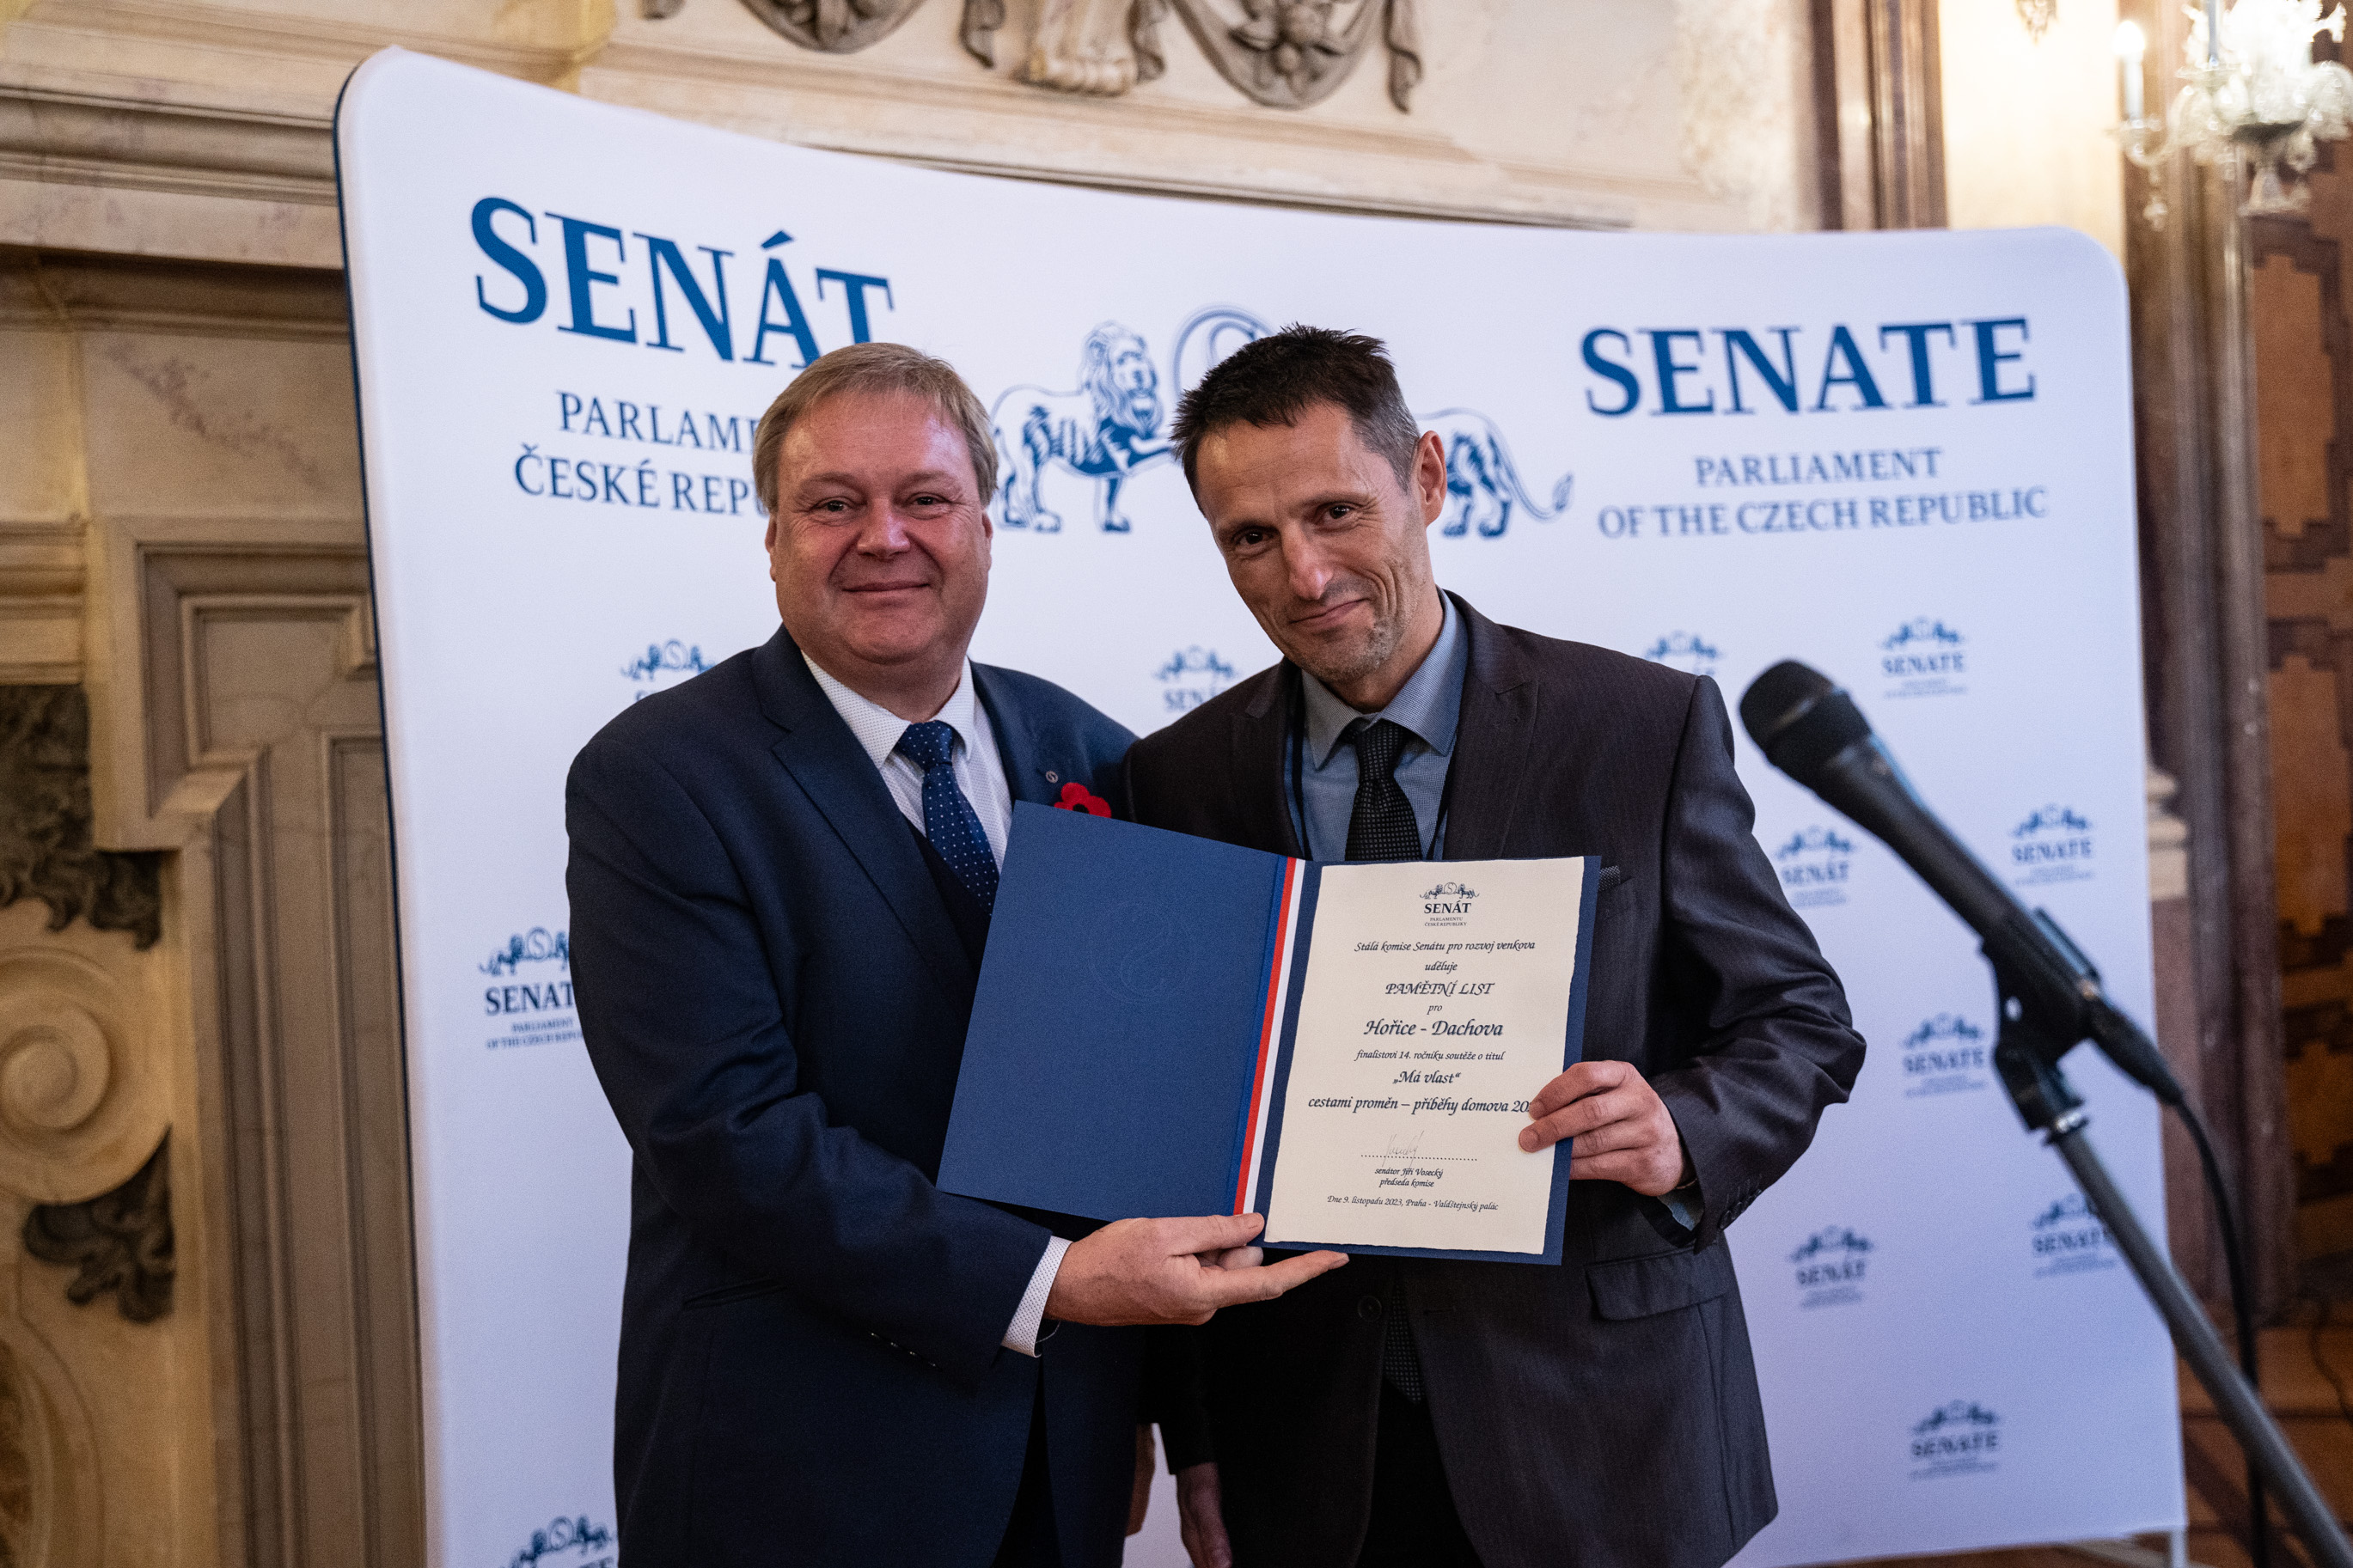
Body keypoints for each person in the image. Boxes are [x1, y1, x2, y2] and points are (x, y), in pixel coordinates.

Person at [565, 342, 1344, 1568]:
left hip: (1066, 1453)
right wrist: (1050, 1283)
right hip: (800, 1469)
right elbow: (725, 1135)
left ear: (985, 523)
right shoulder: (659, 779)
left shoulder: (1098, 755)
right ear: (773, 536)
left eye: (924, 498)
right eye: (833, 503)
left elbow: (1159, 1116)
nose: (883, 537)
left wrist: (1190, 1423)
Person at [1124, 327, 1867, 1568]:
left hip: (1600, 1423)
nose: (1304, 572)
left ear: (1425, 476)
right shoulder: (1176, 777)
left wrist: (1682, 1129)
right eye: (1250, 537)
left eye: (1335, 511)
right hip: (1307, 1442)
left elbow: (1798, 1020)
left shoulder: (1641, 724)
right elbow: (1170, 1130)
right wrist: (1193, 1432)